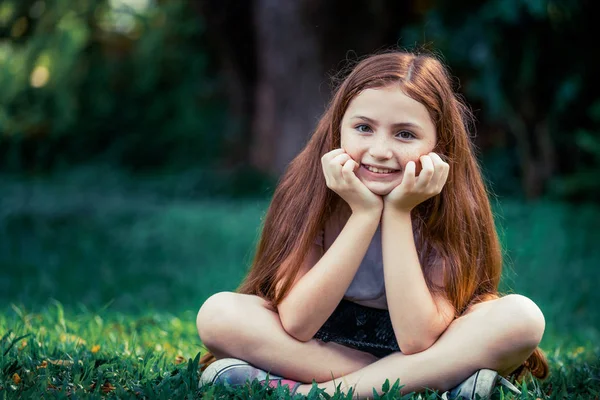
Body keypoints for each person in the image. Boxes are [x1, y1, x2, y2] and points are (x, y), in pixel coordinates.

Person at [195, 51, 549, 399]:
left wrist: (397, 213)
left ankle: (305, 393)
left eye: (405, 134)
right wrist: (363, 215)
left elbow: (416, 339)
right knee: (218, 315)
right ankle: (430, 382)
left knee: (522, 318)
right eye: (364, 128)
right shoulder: (308, 190)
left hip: (425, 345)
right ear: (338, 130)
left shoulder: (454, 205)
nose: (380, 150)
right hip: (323, 345)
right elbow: (297, 324)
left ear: (439, 144)